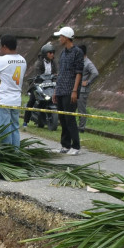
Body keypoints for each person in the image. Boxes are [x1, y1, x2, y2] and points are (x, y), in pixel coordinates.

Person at [52, 26, 83, 155]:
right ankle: (65, 145)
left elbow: (78, 73)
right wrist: (55, 91)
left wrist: (75, 91)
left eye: (60, 37)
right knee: (62, 119)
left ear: (66, 37)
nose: (59, 39)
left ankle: (76, 146)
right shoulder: (63, 53)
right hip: (61, 89)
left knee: (70, 119)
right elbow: (61, 73)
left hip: (70, 90)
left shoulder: (77, 52)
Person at [24, 43, 56, 130]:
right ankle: (25, 121)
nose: (52, 54)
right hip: (38, 84)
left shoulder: (53, 63)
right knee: (32, 100)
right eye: (50, 52)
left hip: (49, 85)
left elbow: (55, 73)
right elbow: (38, 74)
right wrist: (39, 79)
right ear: (45, 53)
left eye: (53, 52)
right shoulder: (38, 63)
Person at [76, 44, 99, 132]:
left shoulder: (88, 63)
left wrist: (88, 82)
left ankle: (81, 127)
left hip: (83, 90)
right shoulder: (80, 61)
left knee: (81, 108)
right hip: (78, 89)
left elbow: (95, 73)